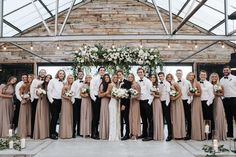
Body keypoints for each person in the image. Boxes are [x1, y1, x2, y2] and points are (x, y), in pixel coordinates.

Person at [166, 73, 186, 139]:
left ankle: (180, 134)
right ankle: (175, 134)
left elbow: (180, 93)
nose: (169, 78)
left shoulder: (174, 84)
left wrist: (175, 98)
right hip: (172, 102)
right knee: (174, 118)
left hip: (177, 101)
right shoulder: (167, 84)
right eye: (168, 77)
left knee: (178, 117)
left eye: (170, 77)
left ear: (172, 78)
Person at [47, 70, 66, 140]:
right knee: (54, 117)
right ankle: (52, 133)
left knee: (57, 117)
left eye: (63, 74)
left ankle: (54, 131)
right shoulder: (52, 81)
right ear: (57, 74)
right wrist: (51, 101)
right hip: (54, 100)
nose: (61, 75)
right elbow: (48, 90)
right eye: (60, 73)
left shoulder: (63, 82)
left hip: (60, 100)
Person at [187, 72, 205, 141]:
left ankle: (197, 134)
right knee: (189, 118)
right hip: (188, 102)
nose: (191, 76)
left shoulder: (197, 83)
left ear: (194, 76)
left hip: (196, 101)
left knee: (196, 117)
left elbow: (200, 93)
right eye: (190, 75)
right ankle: (189, 133)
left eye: (192, 75)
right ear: (187, 76)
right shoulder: (186, 83)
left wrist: (193, 93)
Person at [137, 67, 153, 141]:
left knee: (149, 119)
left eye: (141, 72)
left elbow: (152, 92)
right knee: (143, 119)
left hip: (147, 102)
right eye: (139, 72)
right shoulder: (137, 81)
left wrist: (149, 102)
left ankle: (150, 135)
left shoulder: (148, 81)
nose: (140, 73)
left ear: (144, 73)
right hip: (140, 102)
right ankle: (144, 134)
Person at [210, 72, 227, 141]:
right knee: (213, 117)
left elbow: (222, 94)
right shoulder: (209, 85)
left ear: (217, 78)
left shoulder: (220, 85)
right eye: (212, 76)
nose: (214, 78)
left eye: (215, 77)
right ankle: (212, 134)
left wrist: (216, 93)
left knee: (218, 117)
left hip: (218, 101)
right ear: (210, 78)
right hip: (210, 101)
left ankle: (219, 135)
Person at [220, 65, 236, 138]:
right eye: (224, 70)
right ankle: (230, 134)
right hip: (225, 100)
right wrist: (223, 98)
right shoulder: (221, 79)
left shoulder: (235, 78)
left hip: (234, 99)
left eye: (227, 70)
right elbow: (220, 90)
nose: (226, 71)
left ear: (230, 70)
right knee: (228, 117)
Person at [176, 69, 192, 140]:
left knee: (188, 118)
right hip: (178, 102)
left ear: (182, 74)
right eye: (177, 73)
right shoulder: (175, 83)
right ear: (176, 75)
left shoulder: (187, 82)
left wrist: (189, 101)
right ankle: (181, 133)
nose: (178, 74)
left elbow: (191, 92)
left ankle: (189, 134)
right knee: (180, 118)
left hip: (186, 102)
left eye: (180, 73)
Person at [90, 67, 105, 139]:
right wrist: (94, 99)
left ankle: (97, 131)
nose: (102, 71)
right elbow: (91, 89)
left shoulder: (105, 79)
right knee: (95, 116)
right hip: (96, 98)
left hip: (103, 98)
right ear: (98, 71)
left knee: (100, 116)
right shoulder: (94, 79)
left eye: (103, 70)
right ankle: (93, 133)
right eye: (101, 70)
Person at [30, 69, 46, 138]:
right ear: (39, 73)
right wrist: (32, 99)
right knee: (34, 116)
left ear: (45, 73)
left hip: (44, 101)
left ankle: (43, 132)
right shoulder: (35, 80)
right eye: (41, 72)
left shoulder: (47, 80)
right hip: (36, 100)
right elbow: (31, 89)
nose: (42, 73)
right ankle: (33, 132)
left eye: (44, 72)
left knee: (43, 116)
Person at [199, 70, 215, 138]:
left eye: (204, 75)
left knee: (208, 119)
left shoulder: (209, 84)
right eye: (201, 74)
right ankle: (203, 133)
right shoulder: (197, 83)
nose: (202, 76)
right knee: (201, 119)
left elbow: (212, 96)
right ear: (199, 75)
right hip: (199, 103)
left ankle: (209, 134)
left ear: (206, 76)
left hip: (207, 103)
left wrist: (207, 104)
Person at [117, 70, 131, 140]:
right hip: (118, 103)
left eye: (120, 74)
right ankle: (121, 133)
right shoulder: (118, 83)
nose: (119, 76)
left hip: (124, 104)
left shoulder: (127, 82)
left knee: (126, 119)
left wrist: (124, 105)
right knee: (120, 119)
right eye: (118, 75)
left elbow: (128, 94)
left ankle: (127, 134)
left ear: (123, 74)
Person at [158, 72, 172, 141]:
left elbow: (168, 93)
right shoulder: (158, 84)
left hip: (166, 102)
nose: (160, 77)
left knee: (168, 119)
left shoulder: (167, 83)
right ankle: (161, 134)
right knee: (161, 118)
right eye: (159, 76)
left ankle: (170, 135)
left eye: (161, 76)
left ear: (164, 76)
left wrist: (167, 103)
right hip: (159, 102)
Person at [149, 74, 164, 141]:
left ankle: (158, 135)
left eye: (154, 77)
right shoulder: (148, 85)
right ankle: (151, 134)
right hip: (150, 103)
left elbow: (160, 95)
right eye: (151, 77)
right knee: (151, 119)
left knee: (156, 117)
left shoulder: (158, 85)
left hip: (156, 102)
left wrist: (154, 94)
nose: (153, 78)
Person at [71, 70, 84, 138]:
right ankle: (73, 132)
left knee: (80, 117)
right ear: (77, 75)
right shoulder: (75, 83)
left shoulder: (85, 82)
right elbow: (72, 92)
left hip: (83, 101)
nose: (81, 75)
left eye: (82, 74)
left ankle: (79, 131)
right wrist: (73, 101)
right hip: (76, 100)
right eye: (79, 74)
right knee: (75, 117)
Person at [59, 74, 74, 139]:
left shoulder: (73, 86)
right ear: (67, 79)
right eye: (69, 78)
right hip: (65, 102)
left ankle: (69, 133)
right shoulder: (65, 86)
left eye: (72, 78)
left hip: (70, 103)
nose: (71, 79)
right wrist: (68, 98)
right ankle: (64, 133)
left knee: (69, 116)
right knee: (65, 116)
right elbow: (62, 95)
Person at [107, 74, 121, 141]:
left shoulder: (118, 85)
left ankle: (117, 134)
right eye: (114, 77)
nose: (115, 78)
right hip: (112, 102)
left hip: (117, 103)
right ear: (112, 78)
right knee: (112, 119)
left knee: (116, 119)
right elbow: (107, 94)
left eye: (116, 77)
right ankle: (112, 136)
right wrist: (114, 96)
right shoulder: (110, 84)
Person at [98, 74, 111, 140]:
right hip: (104, 102)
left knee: (109, 116)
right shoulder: (102, 85)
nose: (106, 78)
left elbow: (112, 95)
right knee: (104, 116)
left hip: (111, 102)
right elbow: (99, 95)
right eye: (105, 77)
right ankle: (104, 134)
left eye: (107, 77)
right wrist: (106, 93)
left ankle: (110, 133)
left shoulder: (111, 84)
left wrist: (105, 94)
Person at [128, 73, 141, 140]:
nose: (130, 78)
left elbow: (139, 95)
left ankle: (136, 134)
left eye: (131, 77)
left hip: (135, 103)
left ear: (133, 77)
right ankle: (131, 132)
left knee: (135, 118)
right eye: (129, 77)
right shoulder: (129, 85)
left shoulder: (136, 84)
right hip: (130, 103)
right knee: (131, 118)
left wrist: (132, 97)